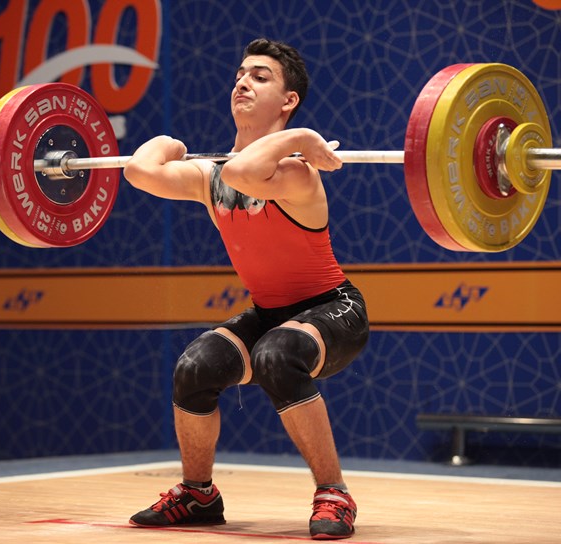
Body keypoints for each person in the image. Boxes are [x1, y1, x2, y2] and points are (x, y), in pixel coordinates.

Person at [123, 38, 370, 540]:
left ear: (288, 100)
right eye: (240, 74)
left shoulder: (297, 173)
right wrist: (168, 142)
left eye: (260, 76)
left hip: (334, 311)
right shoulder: (213, 176)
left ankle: (334, 493)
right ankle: (198, 494)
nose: (242, 82)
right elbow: (138, 171)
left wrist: (299, 138)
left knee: (277, 355)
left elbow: (243, 172)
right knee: (195, 368)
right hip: (271, 313)